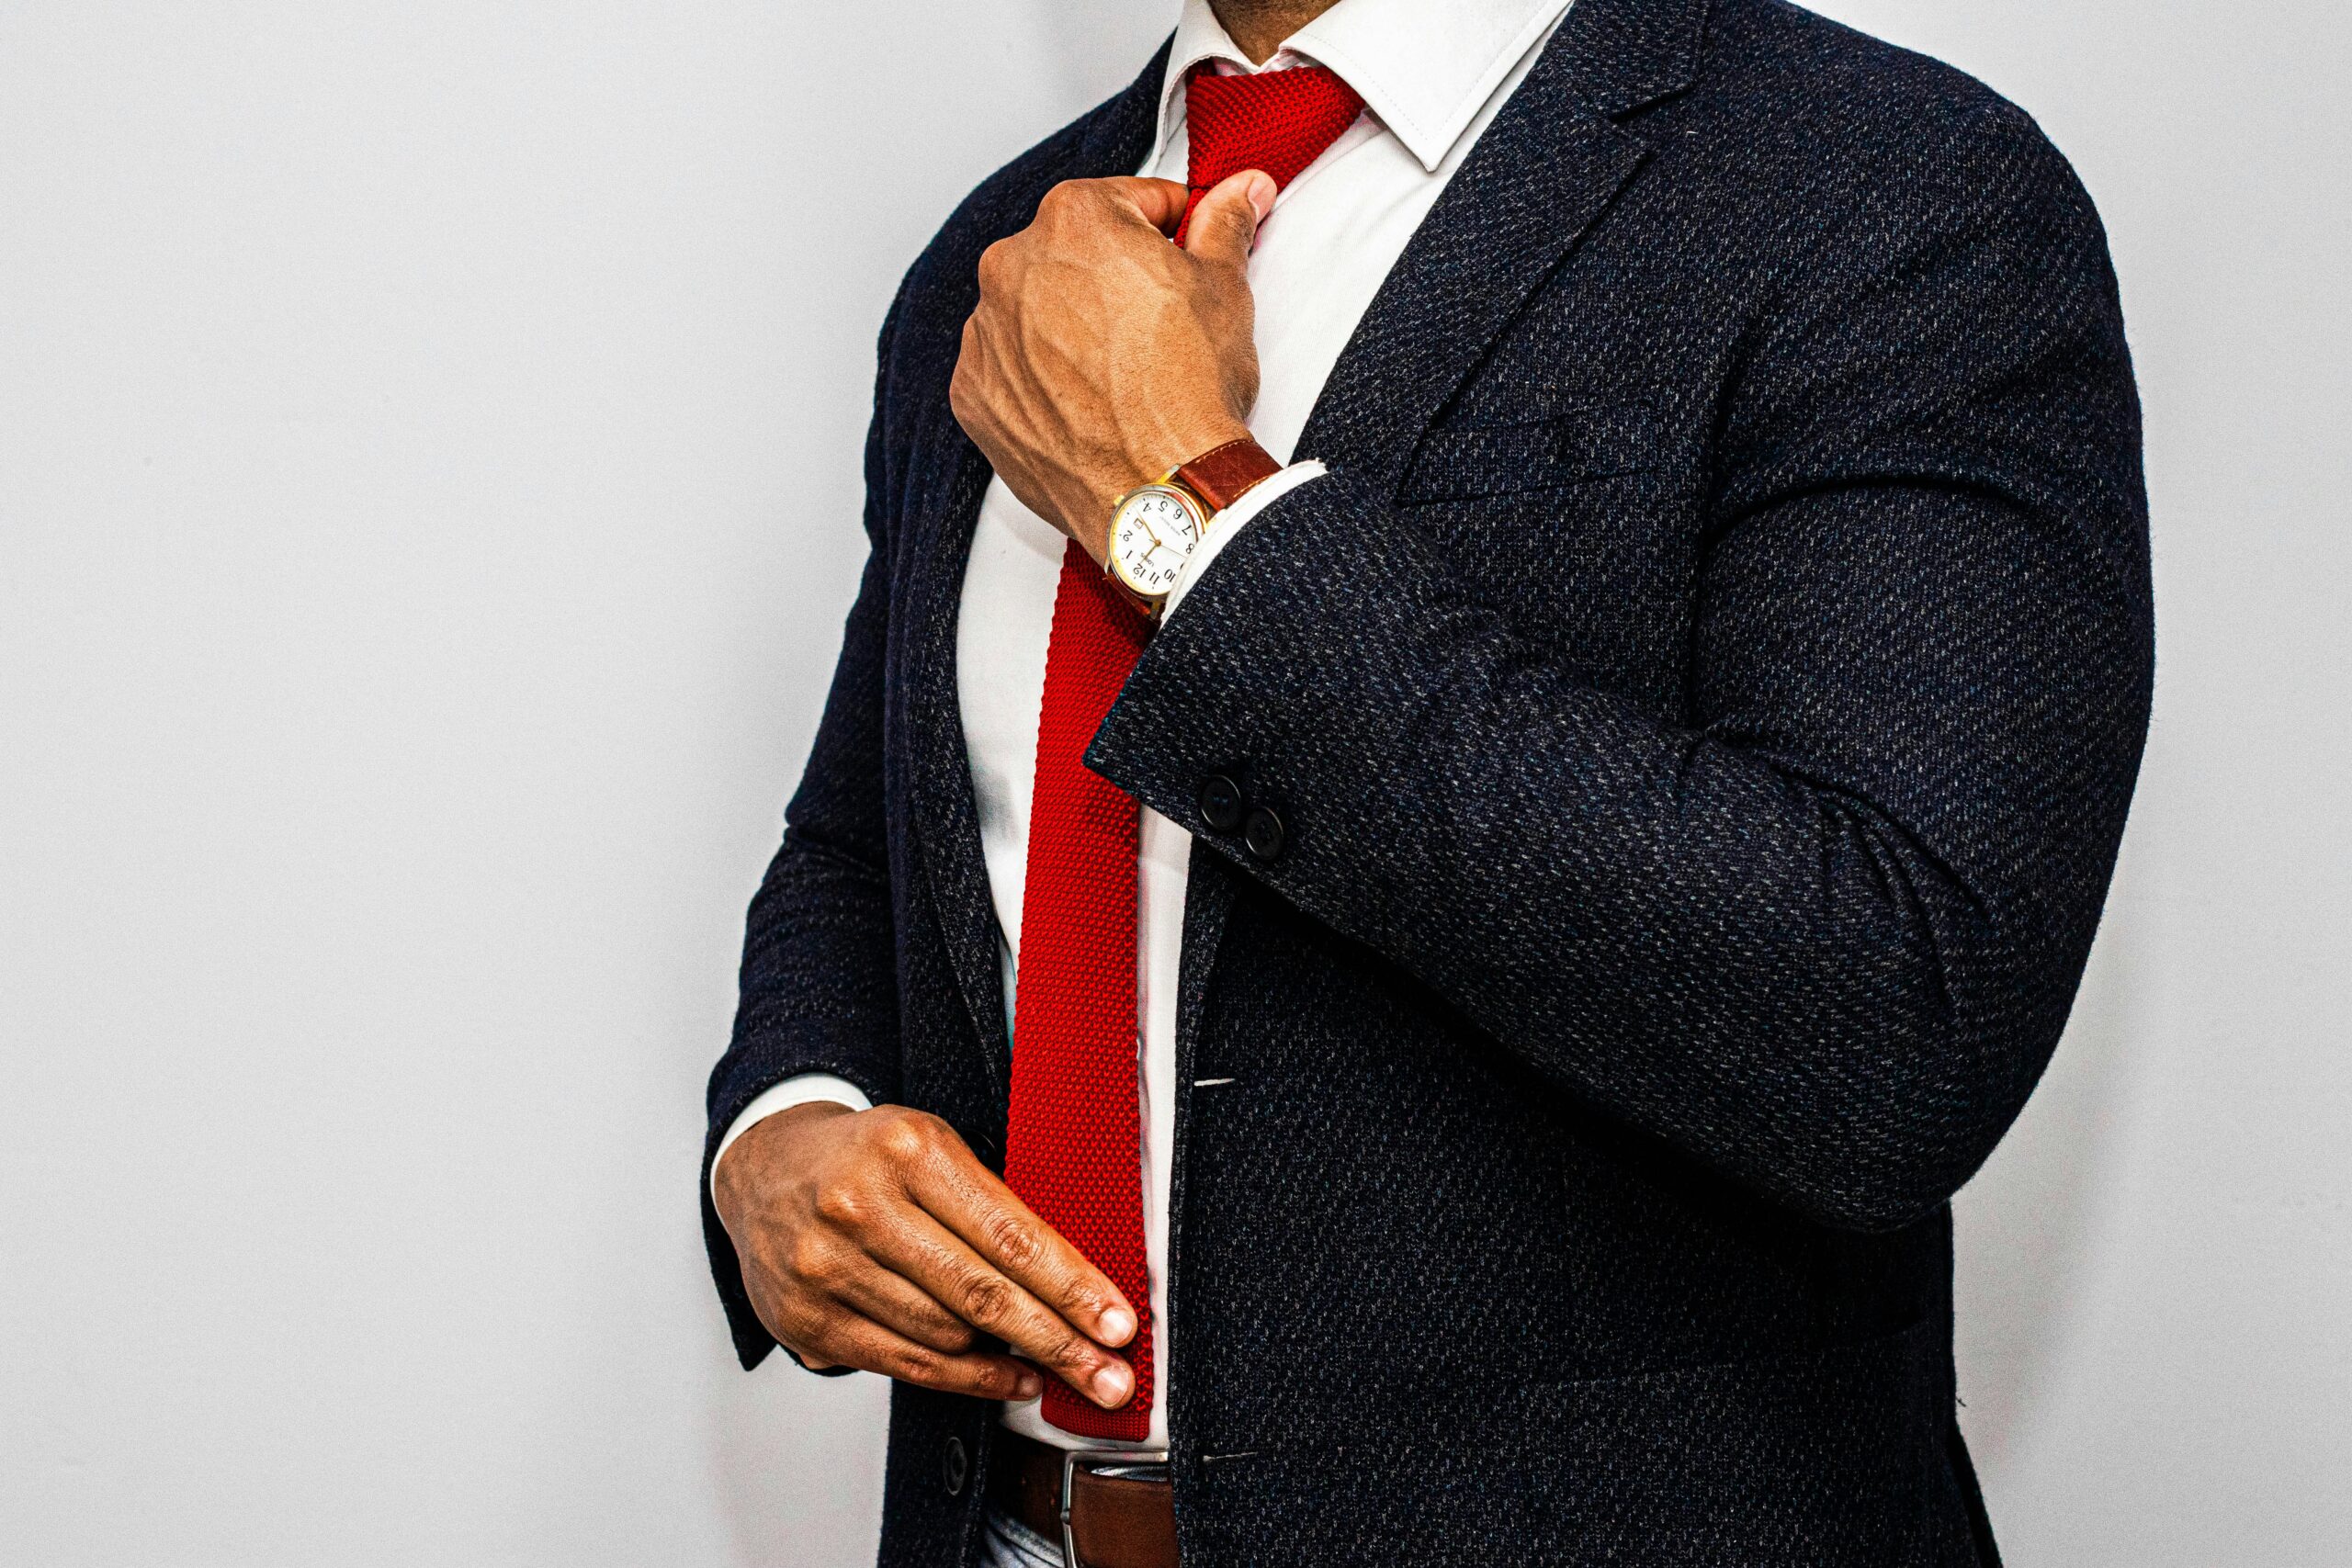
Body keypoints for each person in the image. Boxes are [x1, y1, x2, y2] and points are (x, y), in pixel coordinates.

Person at [702, 0, 2153, 1560]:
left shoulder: (1888, 186)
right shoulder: (996, 263)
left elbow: (1897, 1012)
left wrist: (1186, 510)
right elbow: (871, 834)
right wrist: (783, 1127)